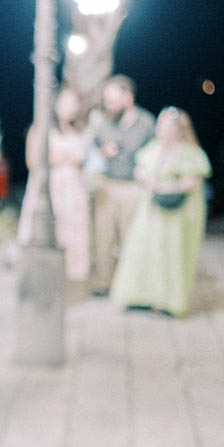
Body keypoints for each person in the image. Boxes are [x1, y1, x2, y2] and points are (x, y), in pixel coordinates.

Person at [110, 108, 212, 316]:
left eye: (165, 127)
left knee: (170, 254)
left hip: (176, 212)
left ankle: (168, 301)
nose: (160, 130)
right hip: (151, 210)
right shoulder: (153, 149)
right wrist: (149, 180)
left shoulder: (190, 152)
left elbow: (192, 181)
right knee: (144, 250)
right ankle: (140, 296)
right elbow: (139, 169)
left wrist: (166, 187)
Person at [91, 75, 155, 294]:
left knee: (131, 238)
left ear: (127, 97)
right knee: (103, 238)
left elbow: (155, 153)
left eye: (112, 100)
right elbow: (92, 153)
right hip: (107, 185)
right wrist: (102, 152)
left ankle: (131, 284)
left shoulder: (146, 123)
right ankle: (104, 281)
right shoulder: (104, 122)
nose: (108, 105)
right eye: (106, 101)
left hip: (132, 187)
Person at [21, 87, 92, 281]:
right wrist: (66, 158)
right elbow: (33, 160)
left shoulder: (78, 132)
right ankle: (41, 270)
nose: (72, 108)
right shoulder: (40, 129)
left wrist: (64, 158)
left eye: (74, 104)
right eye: (67, 102)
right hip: (49, 186)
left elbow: (81, 160)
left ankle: (69, 272)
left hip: (73, 190)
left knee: (71, 229)